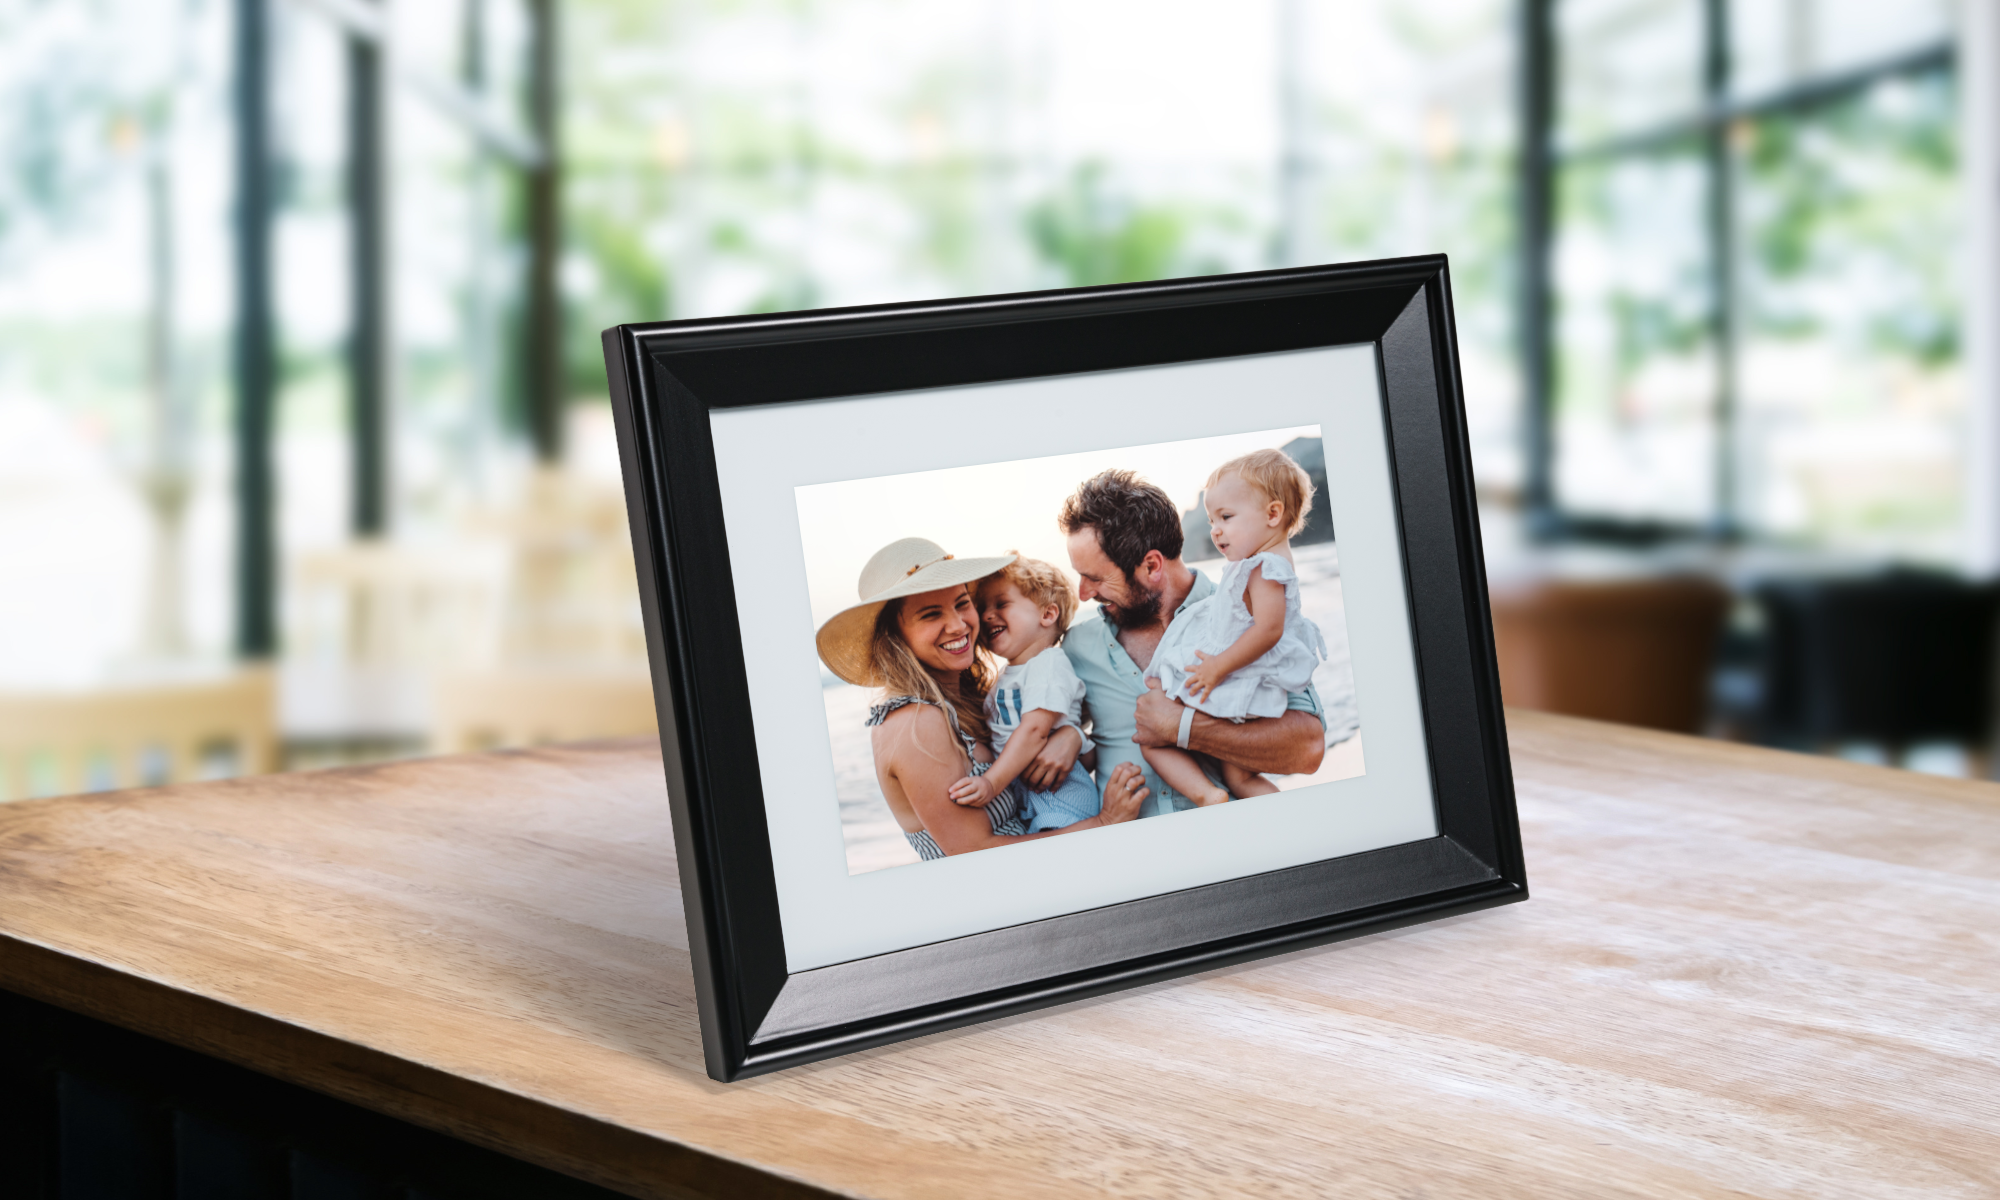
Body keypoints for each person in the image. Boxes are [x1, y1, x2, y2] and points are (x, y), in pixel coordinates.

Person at [814, 538, 1146, 860]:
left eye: (961, 604)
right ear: (896, 636)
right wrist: (1104, 823)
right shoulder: (913, 723)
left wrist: (1070, 736)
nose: (958, 625)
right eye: (931, 615)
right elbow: (975, 853)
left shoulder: (969, 700)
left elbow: (1043, 722)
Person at [1060, 471, 1326, 819]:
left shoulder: (1249, 618)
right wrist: (1066, 736)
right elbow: (1053, 729)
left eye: (1095, 578)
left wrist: (1184, 728)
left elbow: (1309, 748)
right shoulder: (1077, 646)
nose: (1083, 593)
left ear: (1151, 565)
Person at [1142, 449, 1328, 807]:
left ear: (1273, 514)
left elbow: (1268, 630)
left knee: (1155, 725)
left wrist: (1217, 667)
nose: (1216, 530)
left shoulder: (1265, 567)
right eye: (1212, 520)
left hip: (1244, 675)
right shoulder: (1262, 563)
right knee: (1239, 775)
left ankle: (1208, 794)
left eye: (1226, 517)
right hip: (1250, 673)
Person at [948, 555, 1102, 832]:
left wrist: (991, 783)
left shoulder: (1048, 664)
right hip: (1030, 797)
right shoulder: (1005, 679)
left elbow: (1035, 731)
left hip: (1061, 794)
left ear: (1047, 614)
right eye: (982, 608)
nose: (985, 615)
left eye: (1001, 604)